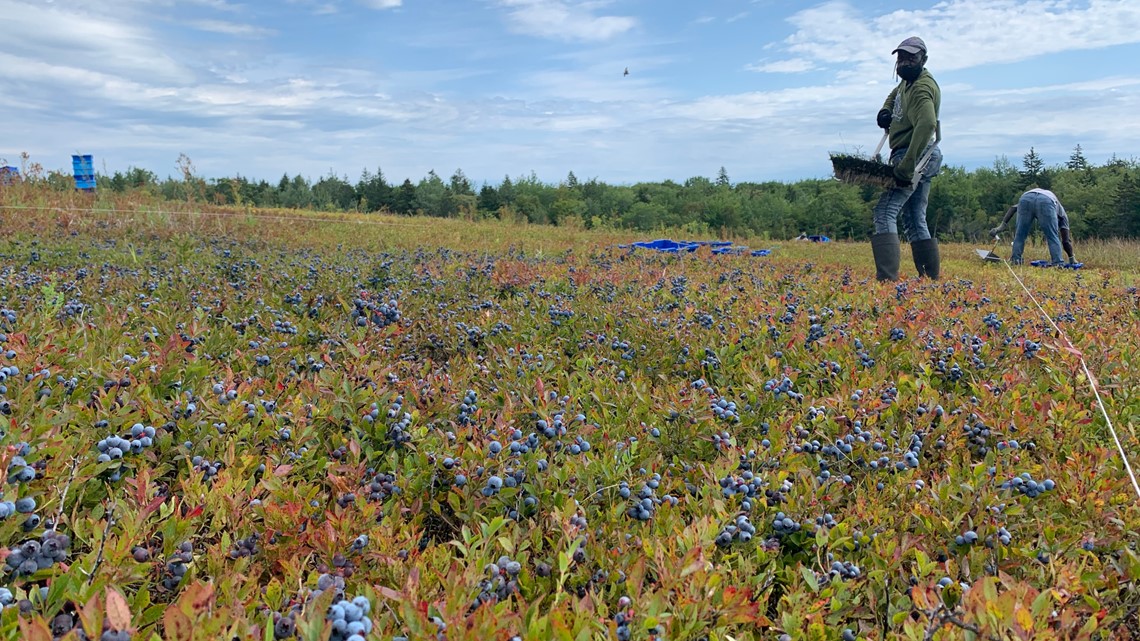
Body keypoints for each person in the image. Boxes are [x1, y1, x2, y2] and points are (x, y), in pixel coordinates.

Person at [870, 36, 942, 281]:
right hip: (923, 154)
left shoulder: (922, 87)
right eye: (901, 57)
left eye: (911, 57)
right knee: (913, 217)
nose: (904, 62)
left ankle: (887, 281)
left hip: (914, 154)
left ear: (924, 59)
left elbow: (928, 123)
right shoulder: (906, 83)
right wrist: (885, 110)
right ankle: (930, 279)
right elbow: (895, 93)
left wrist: (907, 164)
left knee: (884, 211)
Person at [989, 188, 1075, 265]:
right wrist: (1072, 259)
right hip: (1046, 201)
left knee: (1020, 235)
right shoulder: (1063, 215)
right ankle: (1058, 263)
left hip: (1026, 198)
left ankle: (1015, 261)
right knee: (1052, 236)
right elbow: (1066, 241)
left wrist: (1001, 227)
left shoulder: (1057, 207)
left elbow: (1013, 208)